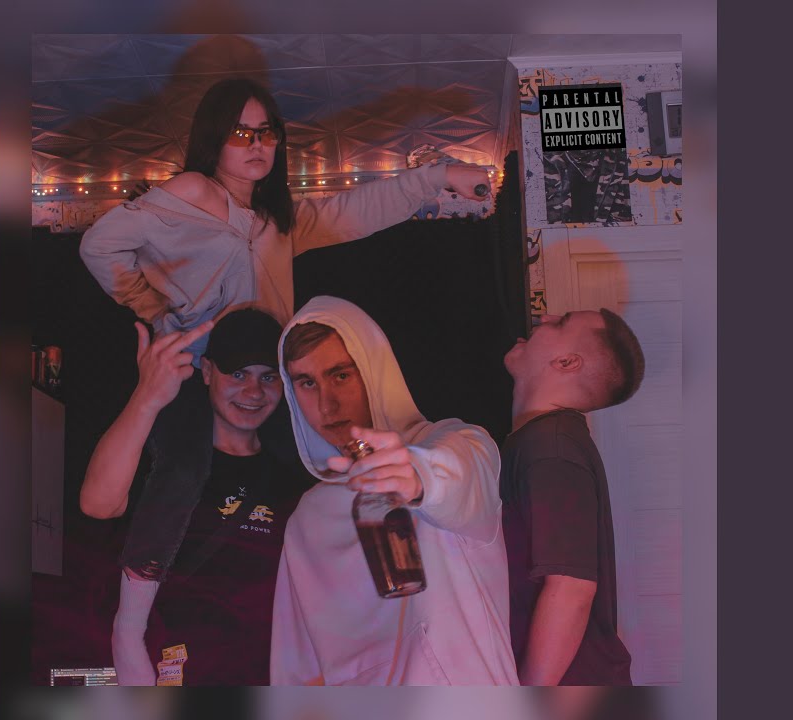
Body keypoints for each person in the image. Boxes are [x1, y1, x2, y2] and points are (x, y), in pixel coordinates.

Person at [78, 76, 493, 592]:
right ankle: (134, 616)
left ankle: (352, 593)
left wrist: (439, 176)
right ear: (213, 137)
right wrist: (158, 313)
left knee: (314, 479)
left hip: (269, 378)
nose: (256, 144)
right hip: (202, 370)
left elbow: (351, 214)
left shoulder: (272, 219)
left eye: (266, 132)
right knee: (180, 478)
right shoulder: (192, 191)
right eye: (240, 132)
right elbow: (99, 246)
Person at [270, 296, 518, 685]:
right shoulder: (307, 521)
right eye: (307, 382)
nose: (326, 405)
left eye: (341, 375)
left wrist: (417, 478)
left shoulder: (452, 446)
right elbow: (298, 672)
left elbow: (459, 473)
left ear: (374, 369)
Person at [80, 308, 314, 685]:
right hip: (177, 670)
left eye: (268, 377)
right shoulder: (170, 464)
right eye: (237, 374)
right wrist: (146, 396)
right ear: (206, 371)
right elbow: (97, 504)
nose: (254, 392)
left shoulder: (294, 474)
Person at [499, 308, 646, 685]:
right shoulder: (547, 442)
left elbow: (571, 588)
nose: (543, 318)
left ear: (566, 362)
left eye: (560, 322)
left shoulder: (551, 450)